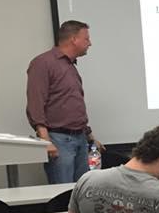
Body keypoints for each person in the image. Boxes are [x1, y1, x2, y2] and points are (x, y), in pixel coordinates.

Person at [26, 20, 104, 184]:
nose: (90, 43)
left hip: (80, 139)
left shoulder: (70, 66)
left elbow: (71, 105)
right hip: (59, 140)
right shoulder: (43, 63)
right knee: (63, 194)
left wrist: (90, 136)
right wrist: (46, 141)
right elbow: (36, 103)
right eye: (86, 39)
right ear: (74, 39)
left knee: (82, 192)